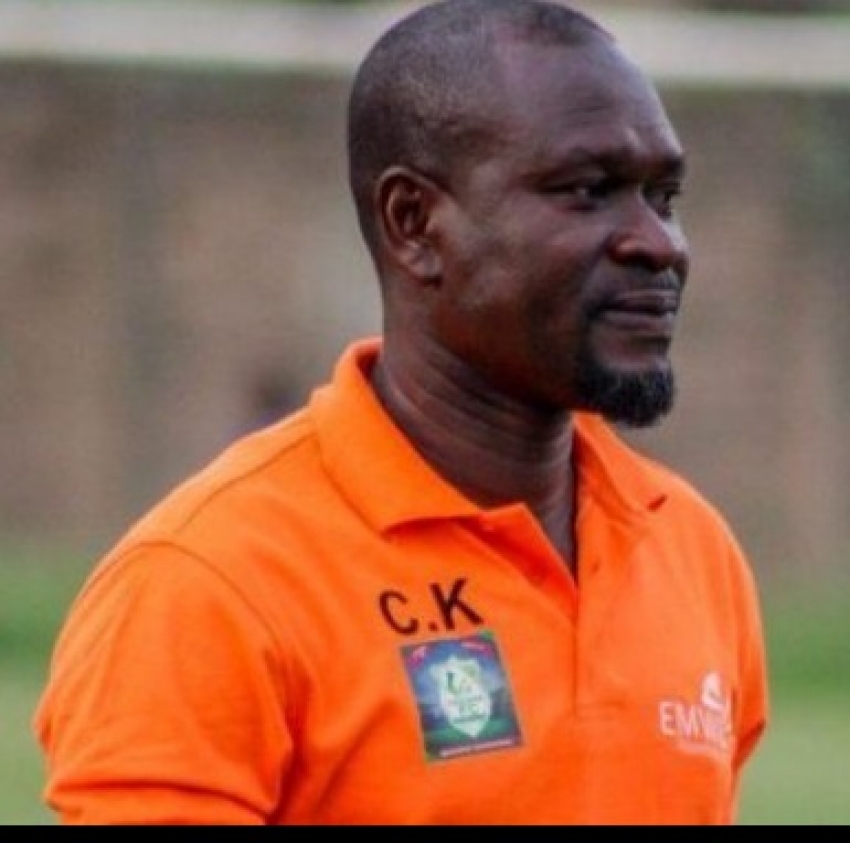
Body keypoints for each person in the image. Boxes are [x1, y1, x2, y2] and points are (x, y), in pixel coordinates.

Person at [33, 0, 769, 825]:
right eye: (589, 191)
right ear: (414, 223)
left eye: (663, 196)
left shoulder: (692, 550)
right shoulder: (207, 582)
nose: (659, 242)